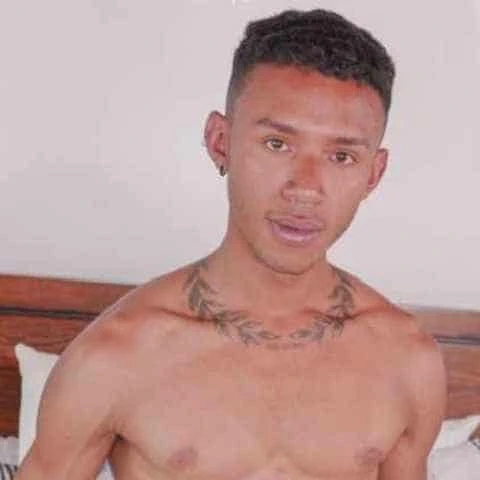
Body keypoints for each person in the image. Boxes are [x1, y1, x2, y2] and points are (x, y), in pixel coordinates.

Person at [16, 8, 446, 480]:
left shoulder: (407, 360)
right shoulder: (117, 355)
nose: (305, 188)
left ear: (373, 174)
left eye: (341, 156)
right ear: (221, 142)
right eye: (277, 144)